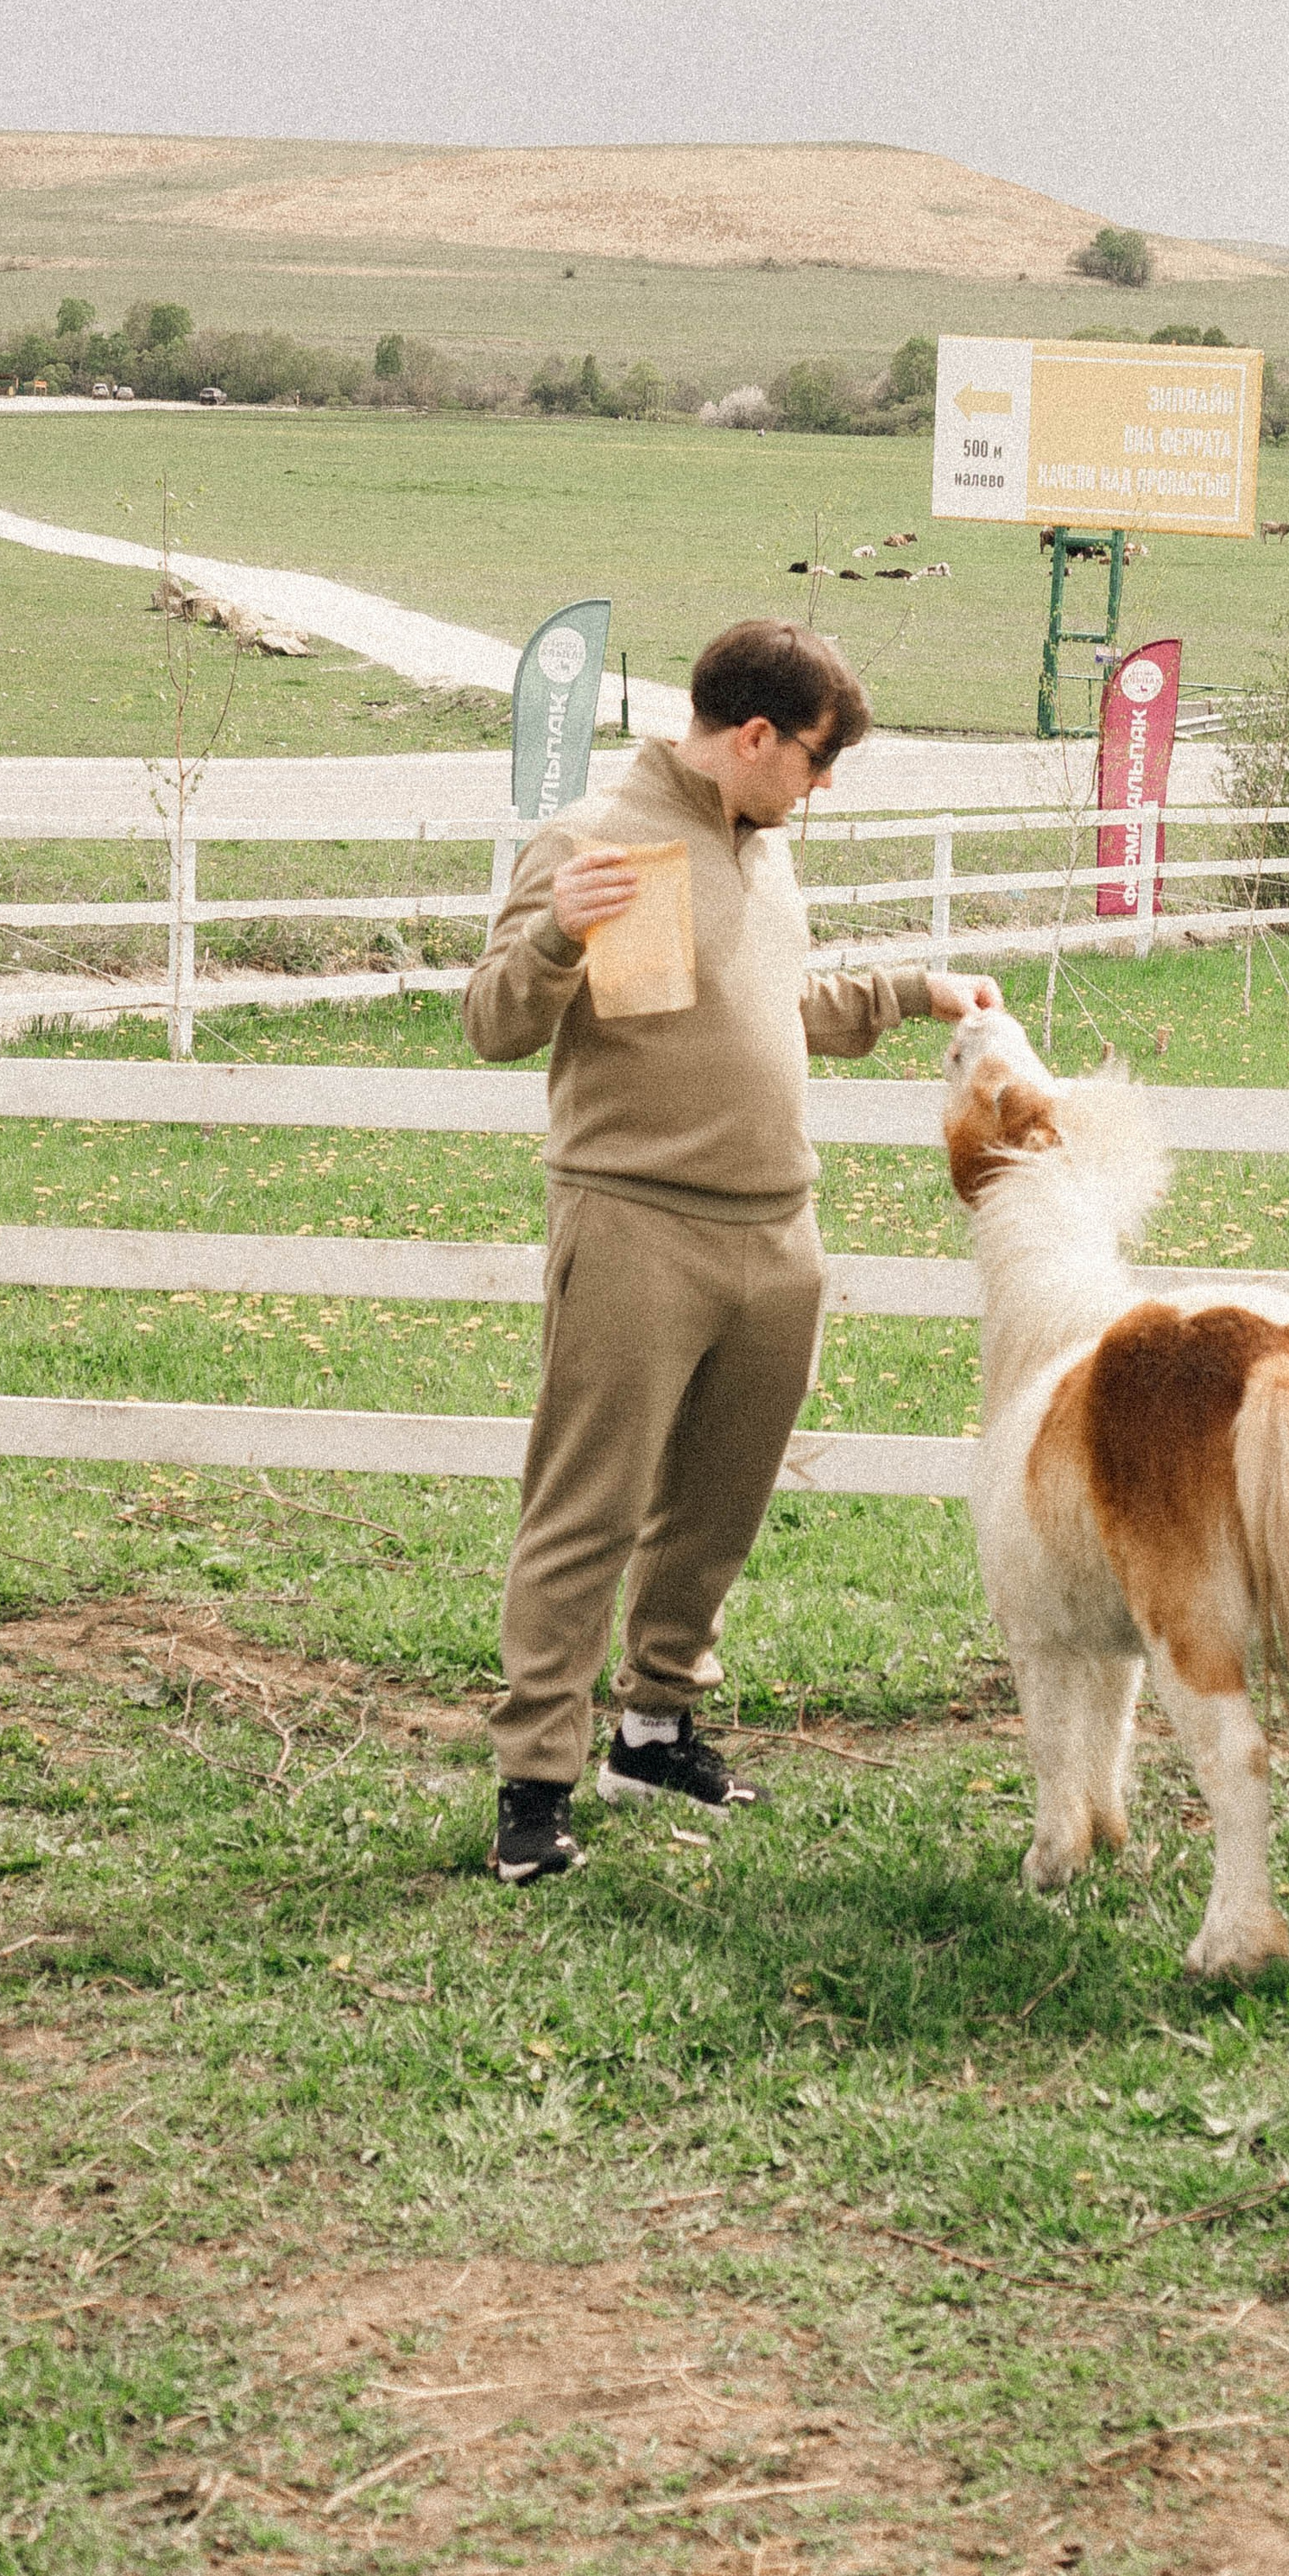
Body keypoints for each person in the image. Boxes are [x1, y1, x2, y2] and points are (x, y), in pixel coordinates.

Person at [463, 616, 1001, 1881]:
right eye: (817, 761)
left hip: (777, 1231)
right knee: (585, 1511)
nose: (822, 789)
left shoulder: (759, 851)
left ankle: (653, 1728)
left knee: (719, 1505)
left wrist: (912, 992)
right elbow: (493, 1021)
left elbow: (762, 1007)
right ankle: (534, 1786)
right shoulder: (601, 846)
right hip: (639, 1225)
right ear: (755, 738)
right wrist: (551, 937)